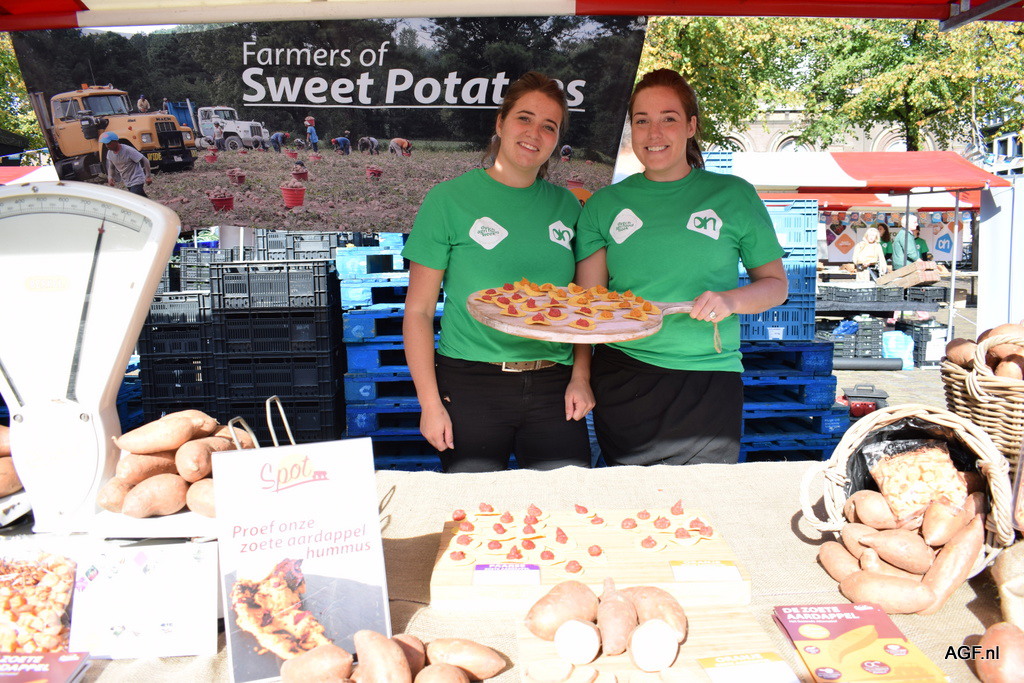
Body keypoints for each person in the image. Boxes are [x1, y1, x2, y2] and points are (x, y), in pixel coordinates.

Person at [574, 68, 787, 467]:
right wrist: (581, 377)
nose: (654, 133)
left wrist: (730, 300)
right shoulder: (603, 205)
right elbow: (588, 307)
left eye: (668, 119)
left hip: (709, 378)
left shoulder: (734, 195)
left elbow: (776, 285)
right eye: (642, 121)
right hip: (623, 378)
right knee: (630, 499)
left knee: (701, 499)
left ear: (691, 126)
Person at [402, 71, 594, 473]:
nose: (534, 133)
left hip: (554, 386)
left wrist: (580, 376)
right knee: (474, 506)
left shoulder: (569, 207)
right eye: (524, 118)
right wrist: (430, 404)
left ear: (557, 140)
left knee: (564, 503)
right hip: (470, 384)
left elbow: (582, 305)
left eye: (549, 126)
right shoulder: (448, 200)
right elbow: (418, 311)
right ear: (501, 122)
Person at [101, 131, 152, 197]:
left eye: (109, 143)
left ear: (116, 141)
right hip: (127, 181)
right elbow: (111, 167)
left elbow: (145, 160)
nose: (107, 146)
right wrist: (110, 177)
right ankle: (151, 203)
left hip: (137, 179)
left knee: (134, 198)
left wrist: (148, 176)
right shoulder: (110, 153)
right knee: (141, 198)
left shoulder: (128, 150)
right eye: (106, 144)